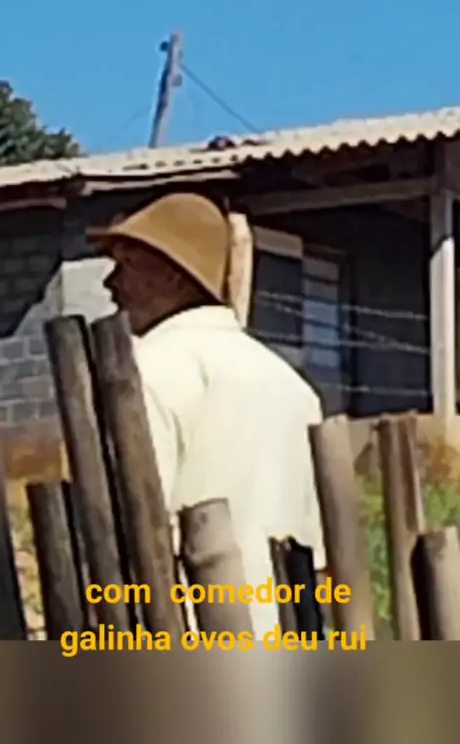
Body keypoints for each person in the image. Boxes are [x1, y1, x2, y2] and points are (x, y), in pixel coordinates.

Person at [89, 192, 326, 640]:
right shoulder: (294, 387)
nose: (110, 283)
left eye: (127, 265)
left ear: (174, 276)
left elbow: (137, 524)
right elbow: (318, 546)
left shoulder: (146, 369)